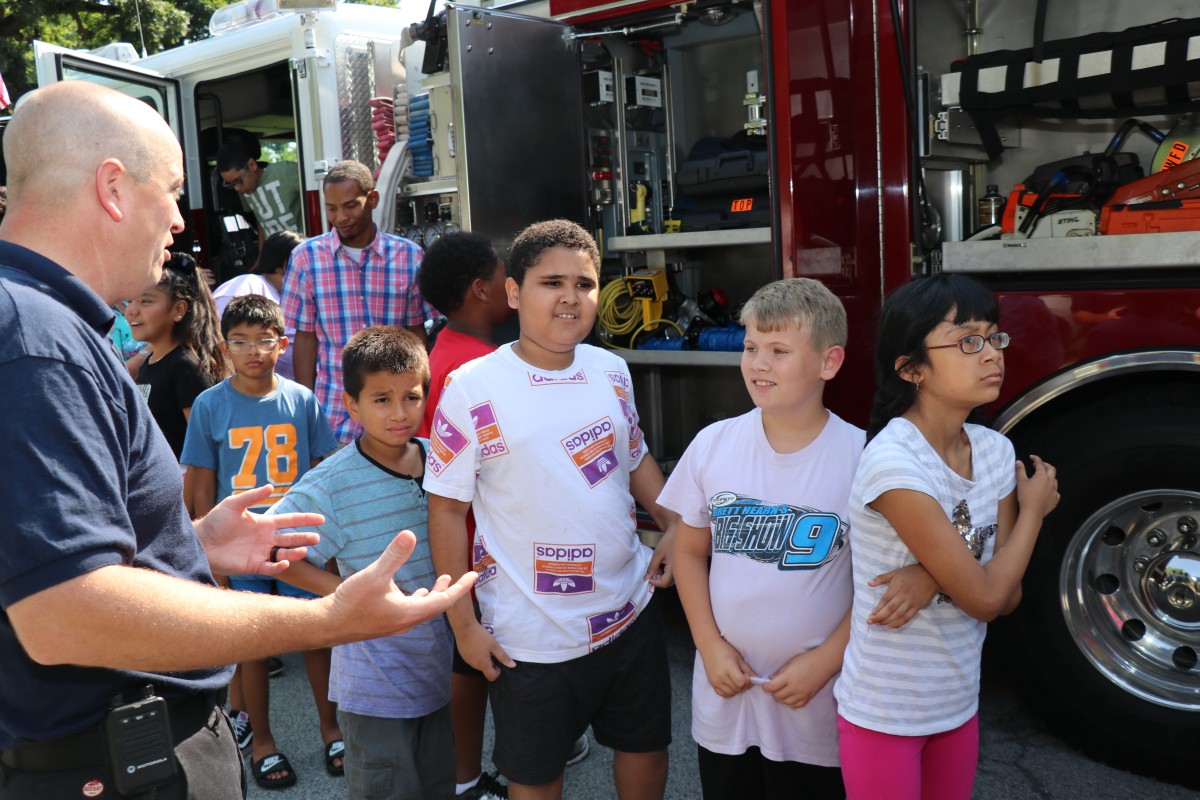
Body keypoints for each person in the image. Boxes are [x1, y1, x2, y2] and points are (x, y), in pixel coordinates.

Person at [0, 80, 475, 799]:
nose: (180, 222)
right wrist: (326, 617)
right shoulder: (36, 342)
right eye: (172, 190)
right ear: (112, 187)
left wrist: (188, 542)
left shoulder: (44, 325)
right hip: (114, 763)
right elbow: (65, 616)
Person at [425, 219, 676, 800]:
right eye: (551, 282)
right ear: (514, 293)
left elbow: (635, 461)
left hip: (629, 612)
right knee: (536, 781)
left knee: (647, 753)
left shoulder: (610, 369)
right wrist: (463, 625)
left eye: (585, 284)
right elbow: (444, 510)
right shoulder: (471, 386)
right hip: (527, 635)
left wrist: (676, 527)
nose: (570, 297)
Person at [833, 274, 1060, 800]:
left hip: (956, 704)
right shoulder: (894, 463)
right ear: (911, 368)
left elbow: (1008, 597)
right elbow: (983, 596)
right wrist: (1033, 512)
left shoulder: (994, 451)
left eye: (994, 337)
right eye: (966, 341)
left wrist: (930, 574)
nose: (991, 354)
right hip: (885, 713)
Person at [658, 278, 863, 800]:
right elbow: (688, 550)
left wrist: (825, 660)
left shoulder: (864, 458)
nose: (758, 363)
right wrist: (707, 645)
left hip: (818, 703)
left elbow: (879, 585)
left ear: (829, 362)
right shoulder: (714, 444)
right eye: (750, 347)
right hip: (728, 696)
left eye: (779, 350)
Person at [274, 325, 456, 799]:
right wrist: (347, 596)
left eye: (411, 397)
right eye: (381, 399)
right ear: (351, 404)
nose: (400, 413)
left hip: (436, 675)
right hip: (374, 688)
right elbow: (277, 552)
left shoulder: (442, 461)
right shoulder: (332, 482)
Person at [180, 294, 341, 788]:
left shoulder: (301, 399)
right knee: (254, 641)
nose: (253, 351)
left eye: (264, 340)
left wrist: (328, 542)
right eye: (241, 342)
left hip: (297, 540)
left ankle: (332, 730)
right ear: (225, 348)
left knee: (315, 636)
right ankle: (264, 741)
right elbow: (202, 485)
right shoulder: (210, 405)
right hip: (239, 543)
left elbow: (321, 474)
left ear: (282, 344)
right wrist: (212, 559)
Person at [282, 159, 434, 443]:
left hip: (396, 415)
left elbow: (416, 333)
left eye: (350, 205)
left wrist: (420, 396)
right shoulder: (306, 258)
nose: (341, 217)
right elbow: (305, 338)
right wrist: (306, 407)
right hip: (333, 413)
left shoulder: (409, 256)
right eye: (332, 208)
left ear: (372, 199)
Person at [126, 252, 230, 459]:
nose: (132, 311)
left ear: (179, 310)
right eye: (131, 301)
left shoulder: (186, 366)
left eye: (146, 302)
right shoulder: (151, 361)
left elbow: (209, 447)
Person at [213, 229, 304, 380]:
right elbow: (215, 340)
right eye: (305, 264)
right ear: (286, 265)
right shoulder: (247, 285)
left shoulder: (291, 297)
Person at [217, 137, 303, 263]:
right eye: (230, 184)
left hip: (302, 250)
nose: (237, 188)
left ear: (252, 165)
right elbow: (260, 218)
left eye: (238, 181)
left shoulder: (285, 172)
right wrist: (261, 256)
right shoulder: (245, 190)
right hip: (278, 256)